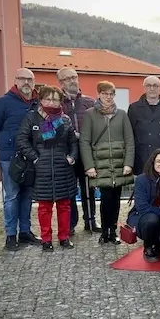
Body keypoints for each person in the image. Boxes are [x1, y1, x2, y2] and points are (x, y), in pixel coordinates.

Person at [16, 85, 78, 251]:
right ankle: (46, 239)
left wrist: (72, 156)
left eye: (55, 99)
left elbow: (73, 142)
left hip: (63, 169)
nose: (51, 102)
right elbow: (22, 140)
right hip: (42, 171)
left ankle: (64, 237)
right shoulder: (32, 118)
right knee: (44, 208)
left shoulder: (65, 120)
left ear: (60, 101)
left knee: (64, 205)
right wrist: (35, 158)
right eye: (48, 98)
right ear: (41, 100)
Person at [0, 67, 42, 251]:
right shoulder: (3, 102)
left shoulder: (38, 103)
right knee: (11, 196)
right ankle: (11, 236)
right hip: (11, 158)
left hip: (32, 157)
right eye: (23, 79)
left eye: (30, 79)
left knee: (27, 196)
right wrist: (3, 151)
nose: (26, 83)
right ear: (16, 80)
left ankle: (25, 232)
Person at [79, 80, 135, 245]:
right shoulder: (90, 114)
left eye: (111, 94)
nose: (108, 97)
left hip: (119, 163)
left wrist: (128, 163)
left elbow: (129, 140)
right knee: (105, 198)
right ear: (99, 94)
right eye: (105, 94)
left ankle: (113, 231)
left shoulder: (122, 114)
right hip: (100, 164)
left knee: (116, 198)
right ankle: (105, 231)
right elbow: (84, 141)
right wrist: (89, 165)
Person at [56, 67, 100, 235]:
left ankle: (91, 220)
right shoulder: (56, 102)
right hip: (66, 154)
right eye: (68, 79)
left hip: (87, 153)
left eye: (75, 77)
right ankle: (70, 224)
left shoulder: (89, 102)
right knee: (69, 190)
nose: (73, 81)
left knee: (89, 188)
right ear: (60, 83)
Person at [128, 75, 160, 175]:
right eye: (148, 85)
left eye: (155, 86)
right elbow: (130, 134)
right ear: (144, 88)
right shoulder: (134, 108)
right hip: (141, 157)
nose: (152, 88)